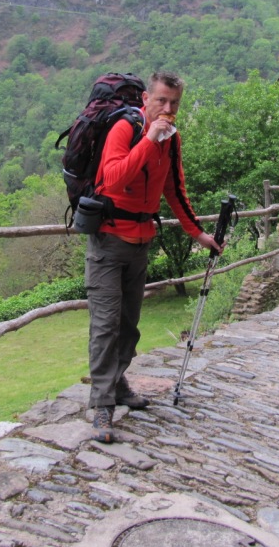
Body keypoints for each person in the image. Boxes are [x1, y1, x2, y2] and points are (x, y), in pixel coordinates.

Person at [85, 71, 222, 443]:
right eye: (161, 100)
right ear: (146, 98)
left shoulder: (171, 141)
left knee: (129, 324)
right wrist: (148, 139)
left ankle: (119, 383)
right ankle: (101, 406)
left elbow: (175, 189)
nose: (168, 109)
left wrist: (198, 233)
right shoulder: (126, 130)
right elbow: (112, 179)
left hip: (141, 243)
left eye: (174, 103)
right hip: (108, 242)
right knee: (105, 325)